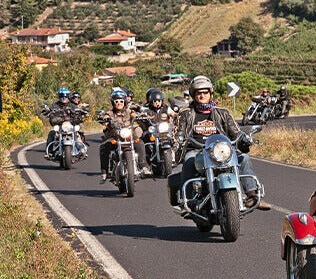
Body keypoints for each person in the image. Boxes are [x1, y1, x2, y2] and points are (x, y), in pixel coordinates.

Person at [168, 75, 266, 210]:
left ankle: (252, 195)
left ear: (210, 93)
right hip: (198, 150)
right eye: (198, 93)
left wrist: (244, 138)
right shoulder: (186, 114)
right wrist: (178, 140)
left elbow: (235, 132)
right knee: (190, 161)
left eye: (205, 92)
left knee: (244, 158)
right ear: (193, 94)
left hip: (221, 150)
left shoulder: (222, 112)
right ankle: (188, 200)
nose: (202, 95)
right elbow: (179, 132)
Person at [99, 89, 151, 181]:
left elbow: (134, 115)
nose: (119, 103)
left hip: (128, 135)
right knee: (104, 146)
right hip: (115, 136)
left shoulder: (128, 112)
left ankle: (143, 166)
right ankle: (104, 172)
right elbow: (106, 116)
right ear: (113, 102)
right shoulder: (110, 113)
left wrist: (140, 117)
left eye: (121, 101)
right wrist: (104, 119)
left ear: (124, 102)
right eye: (116, 101)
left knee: (140, 142)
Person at [44, 87, 73, 156]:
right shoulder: (55, 105)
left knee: (77, 133)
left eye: (65, 96)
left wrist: (81, 111)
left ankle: (81, 149)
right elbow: (49, 110)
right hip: (59, 125)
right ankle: (49, 152)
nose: (64, 98)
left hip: (70, 125)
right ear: (59, 96)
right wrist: (47, 111)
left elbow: (78, 110)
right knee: (51, 133)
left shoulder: (72, 105)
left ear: (68, 96)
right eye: (62, 96)